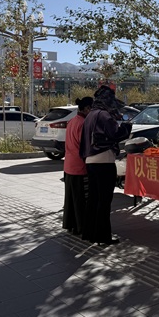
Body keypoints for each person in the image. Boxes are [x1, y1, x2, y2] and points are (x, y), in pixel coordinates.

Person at [79, 86, 132, 245]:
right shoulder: (104, 115)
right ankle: (103, 236)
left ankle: (89, 233)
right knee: (104, 201)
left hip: (90, 161)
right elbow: (116, 134)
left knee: (93, 200)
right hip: (104, 162)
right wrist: (127, 125)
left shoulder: (90, 115)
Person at [62, 96, 93, 235]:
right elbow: (85, 146)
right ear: (87, 109)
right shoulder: (83, 124)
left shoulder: (72, 121)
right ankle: (81, 227)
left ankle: (70, 224)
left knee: (70, 199)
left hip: (69, 165)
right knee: (81, 199)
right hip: (79, 166)